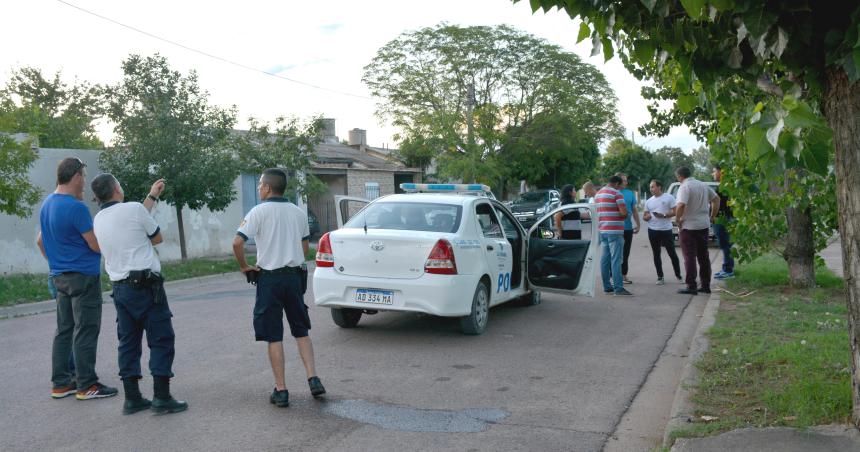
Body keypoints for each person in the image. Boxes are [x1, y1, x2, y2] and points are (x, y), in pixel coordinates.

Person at [91, 174, 188, 415]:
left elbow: (132, 222)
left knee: (128, 343)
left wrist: (152, 195)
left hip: (120, 289)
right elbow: (156, 237)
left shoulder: (100, 219)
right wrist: (150, 200)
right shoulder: (133, 209)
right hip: (147, 287)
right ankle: (162, 396)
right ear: (116, 188)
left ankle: (132, 398)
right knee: (161, 339)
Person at [232, 168, 326, 408]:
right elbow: (305, 248)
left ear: (266, 187)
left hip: (269, 279)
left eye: (260, 185)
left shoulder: (258, 212)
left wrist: (244, 266)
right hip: (294, 278)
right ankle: (313, 378)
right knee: (301, 329)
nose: (258, 189)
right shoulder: (298, 213)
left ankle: (281, 390)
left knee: (274, 335)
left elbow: (237, 242)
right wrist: (289, 254)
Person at [37, 157, 118, 400]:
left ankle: (61, 384)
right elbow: (95, 246)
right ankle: (87, 385)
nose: (85, 183)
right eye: (83, 176)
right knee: (86, 330)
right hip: (83, 277)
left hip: (59, 277)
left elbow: (41, 241)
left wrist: (57, 262)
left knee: (64, 330)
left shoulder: (47, 204)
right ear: (75, 177)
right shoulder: (76, 208)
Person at [674, 166, 720, 295]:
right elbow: (716, 199)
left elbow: (681, 205)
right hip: (703, 225)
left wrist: (678, 219)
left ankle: (691, 285)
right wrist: (712, 216)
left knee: (689, 257)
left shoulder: (684, 187)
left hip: (689, 227)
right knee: (703, 256)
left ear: (679, 177)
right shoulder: (702, 185)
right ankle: (705, 285)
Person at [596, 175, 632, 296]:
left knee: (605, 259)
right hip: (615, 231)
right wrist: (627, 214)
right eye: (621, 184)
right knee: (616, 260)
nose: (621, 187)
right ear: (616, 183)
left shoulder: (598, 194)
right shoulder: (617, 194)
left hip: (603, 230)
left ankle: (607, 287)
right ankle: (618, 288)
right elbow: (623, 213)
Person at [642, 179, 682, 285]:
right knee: (656, 253)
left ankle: (678, 275)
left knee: (672, 253)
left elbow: (675, 211)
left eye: (653, 186)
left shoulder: (669, 197)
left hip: (666, 230)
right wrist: (647, 216)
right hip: (653, 230)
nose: (651, 189)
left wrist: (664, 215)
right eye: (650, 187)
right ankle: (660, 277)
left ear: (659, 187)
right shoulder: (649, 201)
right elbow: (644, 216)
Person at [615, 173, 640, 284]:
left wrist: (638, 224)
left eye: (626, 180)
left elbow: (634, 210)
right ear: (618, 181)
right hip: (615, 228)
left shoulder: (630, 193)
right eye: (624, 180)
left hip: (628, 228)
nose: (626, 182)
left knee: (625, 253)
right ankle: (614, 276)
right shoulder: (612, 193)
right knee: (615, 253)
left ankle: (624, 275)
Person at [712, 164, 734, 279]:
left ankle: (729, 270)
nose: (713, 174)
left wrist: (713, 215)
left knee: (725, 244)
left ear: (721, 172)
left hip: (723, 219)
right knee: (724, 245)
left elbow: (722, 204)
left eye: (714, 171)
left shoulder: (725, 186)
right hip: (723, 218)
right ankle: (726, 267)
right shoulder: (723, 185)